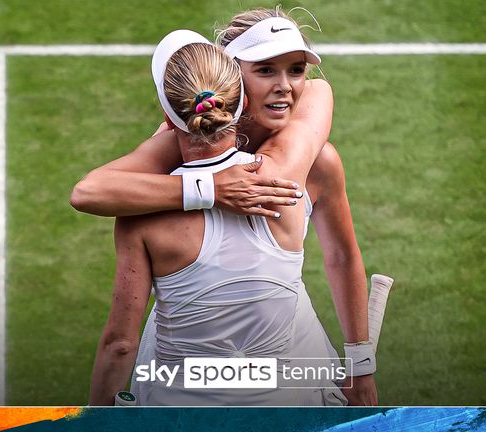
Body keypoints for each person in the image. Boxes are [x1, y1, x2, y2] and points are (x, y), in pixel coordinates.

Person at [75, 8, 377, 405]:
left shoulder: (311, 158)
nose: (286, 86)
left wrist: (361, 364)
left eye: (297, 70)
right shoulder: (183, 149)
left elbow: (342, 256)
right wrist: (213, 188)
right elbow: (86, 192)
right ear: (230, 74)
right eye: (266, 70)